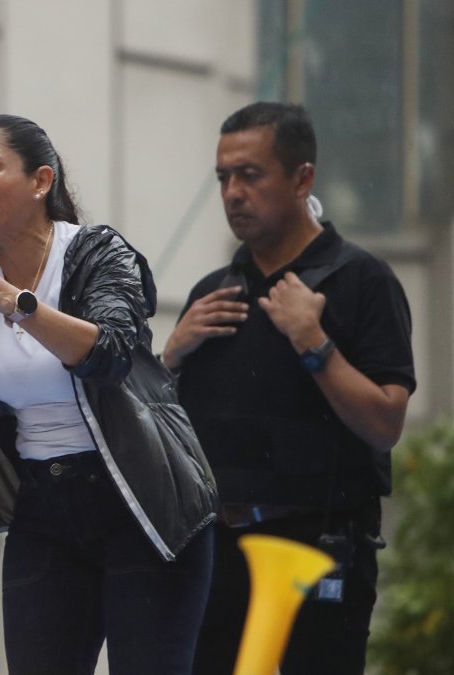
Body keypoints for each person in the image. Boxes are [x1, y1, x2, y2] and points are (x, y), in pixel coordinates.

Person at [0, 114, 217, 675]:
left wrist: (11, 300)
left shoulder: (96, 253)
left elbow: (110, 354)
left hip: (141, 497)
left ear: (41, 181)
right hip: (43, 506)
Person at [162, 102, 415, 675]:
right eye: (224, 177)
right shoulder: (214, 293)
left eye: (250, 175)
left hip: (318, 549)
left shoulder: (363, 281)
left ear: (303, 179)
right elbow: (167, 435)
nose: (232, 193)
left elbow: (385, 425)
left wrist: (314, 342)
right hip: (215, 553)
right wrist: (171, 355)